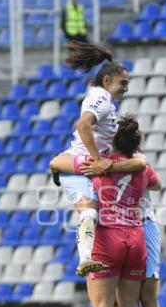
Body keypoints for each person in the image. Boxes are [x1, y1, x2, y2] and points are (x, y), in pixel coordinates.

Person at [50, 41, 146, 277]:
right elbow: (83, 125)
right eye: (123, 83)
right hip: (79, 163)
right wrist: (98, 160)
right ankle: (85, 260)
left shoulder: (105, 100)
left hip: (80, 164)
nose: (126, 88)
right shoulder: (101, 98)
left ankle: (88, 260)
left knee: (93, 214)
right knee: (90, 213)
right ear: (107, 81)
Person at [85, 114, 164, 307]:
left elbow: (66, 165)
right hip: (135, 236)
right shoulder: (141, 167)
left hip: (108, 236)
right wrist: (137, 158)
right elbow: (156, 184)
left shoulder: (98, 164)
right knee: (131, 306)